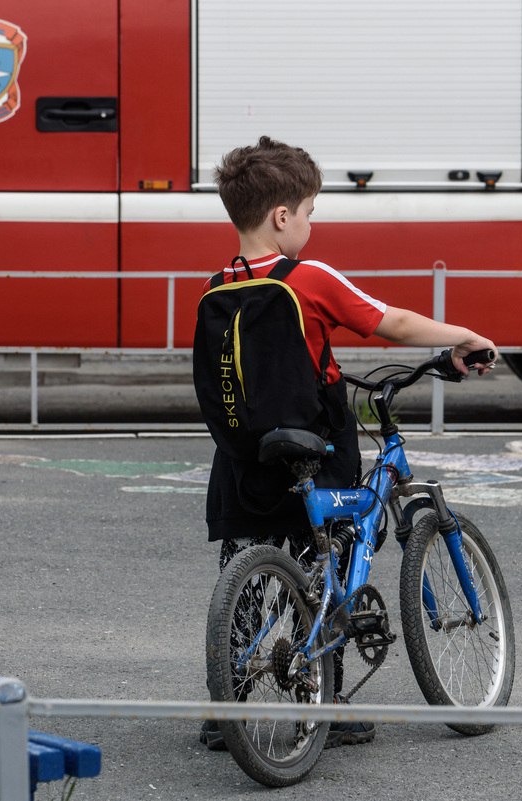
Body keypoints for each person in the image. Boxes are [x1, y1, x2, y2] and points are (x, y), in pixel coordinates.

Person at [198, 135, 497, 751]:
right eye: (309, 212)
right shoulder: (306, 276)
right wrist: (462, 335)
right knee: (324, 565)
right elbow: (390, 321)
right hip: (317, 449)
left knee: (248, 572)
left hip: (243, 459)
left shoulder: (218, 285)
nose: (311, 224)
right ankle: (326, 708)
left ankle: (224, 705)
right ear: (282, 217)